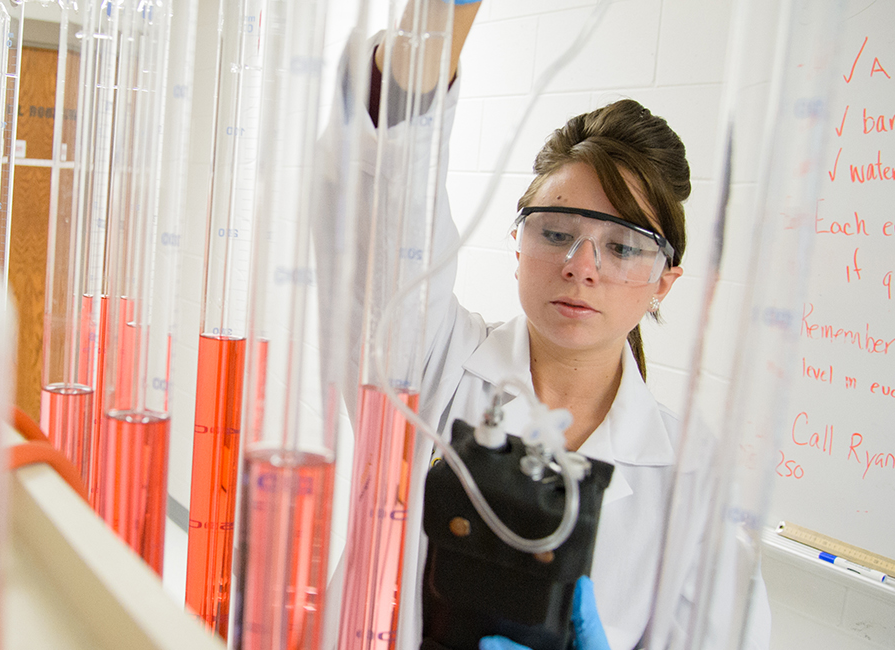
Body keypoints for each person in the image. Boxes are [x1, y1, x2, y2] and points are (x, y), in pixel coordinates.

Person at [316, 1, 773, 648]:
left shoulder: (692, 479)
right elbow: (383, 213)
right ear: (518, 245)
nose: (579, 266)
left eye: (622, 246)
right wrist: (435, 26)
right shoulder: (436, 366)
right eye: (555, 232)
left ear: (664, 281)